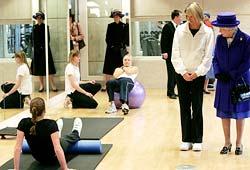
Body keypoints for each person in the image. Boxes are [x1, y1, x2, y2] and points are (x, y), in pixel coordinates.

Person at [171, 2, 214, 151]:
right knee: (184, 107)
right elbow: (175, 54)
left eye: (192, 17)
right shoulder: (180, 30)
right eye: (187, 17)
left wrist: (197, 72)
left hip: (198, 75)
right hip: (182, 75)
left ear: (199, 16)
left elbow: (208, 57)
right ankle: (186, 139)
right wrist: (183, 72)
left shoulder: (208, 32)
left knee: (197, 107)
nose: (190, 20)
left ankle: (197, 139)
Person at [211, 12, 250, 155]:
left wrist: (231, 74)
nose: (219, 31)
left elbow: (247, 62)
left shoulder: (246, 39)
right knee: (224, 113)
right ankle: (227, 142)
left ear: (230, 28)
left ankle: (239, 144)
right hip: (223, 82)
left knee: (240, 113)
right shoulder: (220, 39)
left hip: (240, 81)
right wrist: (218, 73)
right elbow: (215, 58)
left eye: (221, 28)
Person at [14, 97, 82, 169]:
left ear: (30, 111)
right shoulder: (50, 124)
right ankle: (76, 130)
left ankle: (56, 131)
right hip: (53, 158)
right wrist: (65, 168)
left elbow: (18, 147)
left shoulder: (23, 123)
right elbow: (57, 149)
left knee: (55, 138)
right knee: (67, 138)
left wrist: (16, 169)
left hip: (38, 158)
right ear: (44, 111)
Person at [102, 9, 129, 91]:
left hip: (121, 49)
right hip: (111, 49)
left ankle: (120, 85)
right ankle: (107, 85)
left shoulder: (124, 26)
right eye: (114, 16)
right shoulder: (110, 26)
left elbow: (126, 38)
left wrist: (121, 46)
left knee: (121, 67)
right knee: (108, 68)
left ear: (120, 17)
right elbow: (107, 38)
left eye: (117, 16)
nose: (116, 18)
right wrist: (112, 46)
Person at [31, 11, 57, 92]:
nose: (39, 19)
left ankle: (52, 84)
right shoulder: (34, 27)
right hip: (37, 51)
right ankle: (41, 85)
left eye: (40, 18)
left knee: (48, 67)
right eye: (37, 18)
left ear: (42, 19)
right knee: (39, 69)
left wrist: (42, 47)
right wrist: (36, 47)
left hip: (45, 50)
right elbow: (32, 39)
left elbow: (47, 39)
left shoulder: (46, 27)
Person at [160, 9, 182, 99]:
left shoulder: (178, 27)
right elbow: (163, 40)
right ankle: (171, 92)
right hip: (169, 54)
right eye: (180, 17)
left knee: (177, 73)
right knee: (171, 73)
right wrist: (164, 52)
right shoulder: (167, 26)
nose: (181, 18)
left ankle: (171, 90)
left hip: (176, 55)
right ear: (176, 17)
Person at [203, 12, 214, 94]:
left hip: (208, 50)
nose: (204, 17)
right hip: (202, 50)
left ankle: (205, 87)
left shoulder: (210, 26)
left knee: (207, 71)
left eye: (205, 15)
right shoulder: (200, 25)